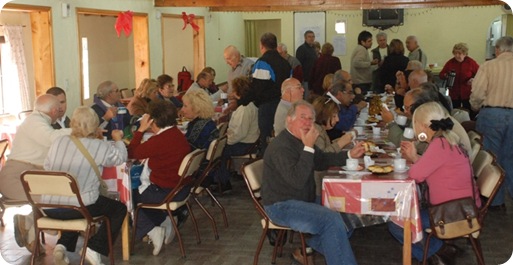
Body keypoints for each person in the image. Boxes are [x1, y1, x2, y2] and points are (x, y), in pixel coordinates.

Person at [262, 100, 364, 265]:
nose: (308, 122)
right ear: (289, 119)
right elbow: (297, 181)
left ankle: (306, 248)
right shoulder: (281, 146)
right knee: (330, 221)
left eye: (310, 119)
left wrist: (349, 155)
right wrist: (308, 147)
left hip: (303, 199)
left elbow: (321, 160)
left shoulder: (300, 140)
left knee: (347, 214)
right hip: (281, 206)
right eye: (303, 117)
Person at [389, 102, 480, 265]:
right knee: (409, 213)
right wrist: (415, 157)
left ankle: (437, 254)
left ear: (423, 126)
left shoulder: (439, 145)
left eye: (415, 123)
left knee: (397, 222)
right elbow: (435, 168)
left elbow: (415, 175)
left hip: (452, 213)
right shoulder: (449, 140)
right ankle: (441, 250)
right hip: (464, 207)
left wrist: (413, 158)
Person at [44, 106, 127, 265]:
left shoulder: (59, 141)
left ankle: (62, 246)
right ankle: (95, 248)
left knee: (75, 200)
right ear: (95, 125)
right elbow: (120, 158)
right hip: (78, 207)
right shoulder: (99, 146)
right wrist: (118, 140)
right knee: (118, 209)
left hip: (49, 206)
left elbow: (47, 167)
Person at [0, 94, 71, 252]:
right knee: (54, 200)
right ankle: (32, 223)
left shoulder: (38, 121)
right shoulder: (34, 121)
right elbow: (51, 139)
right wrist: (78, 131)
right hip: (15, 178)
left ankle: (30, 223)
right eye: (58, 109)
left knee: (60, 195)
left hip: (29, 176)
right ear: (54, 111)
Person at [127, 100, 191, 256]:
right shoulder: (176, 133)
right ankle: (163, 220)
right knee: (139, 192)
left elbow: (132, 153)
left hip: (165, 192)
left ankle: (153, 229)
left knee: (128, 197)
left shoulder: (159, 140)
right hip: (181, 188)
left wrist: (140, 130)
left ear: (153, 121)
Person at [470, 36, 513, 210]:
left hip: (493, 114)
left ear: (497, 49)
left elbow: (478, 93)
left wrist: (475, 106)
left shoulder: (488, 66)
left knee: (492, 158)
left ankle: (495, 201)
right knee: (510, 157)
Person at [238, 32, 291, 157]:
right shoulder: (285, 63)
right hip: (284, 105)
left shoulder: (263, 63)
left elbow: (257, 88)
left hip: (268, 107)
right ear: (276, 45)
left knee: (266, 140)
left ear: (262, 46)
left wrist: (241, 101)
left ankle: (266, 168)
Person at [215, 76, 259, 192]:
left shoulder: (244, 109)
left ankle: (223, 183)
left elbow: (239, 134)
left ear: (238, 92)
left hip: (245, 144)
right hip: (249, 141)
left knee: (218, 151)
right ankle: (221, 180)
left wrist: (225, 141)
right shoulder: (249, 104)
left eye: (233, 90)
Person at [311, 96, 354, 200]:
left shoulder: (320, 129)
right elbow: (322, 157)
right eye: (334, 116)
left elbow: (326, 146)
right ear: (324, 115)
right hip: (317, 187)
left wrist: (342, 142)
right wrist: (340, 143)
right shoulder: (316, 132)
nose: (338, 120)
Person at [439, 43, 480, 119]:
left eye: (459, 53)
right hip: (454, 93)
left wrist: (473, 79)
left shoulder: (471, 62)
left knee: (469, 113)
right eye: (455, 53)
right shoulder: (450, 62)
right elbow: (441, 74)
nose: (457, 55)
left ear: (465, 54)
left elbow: (480, 74)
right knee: (455, 113)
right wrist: (446, 75)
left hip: (467, 93)